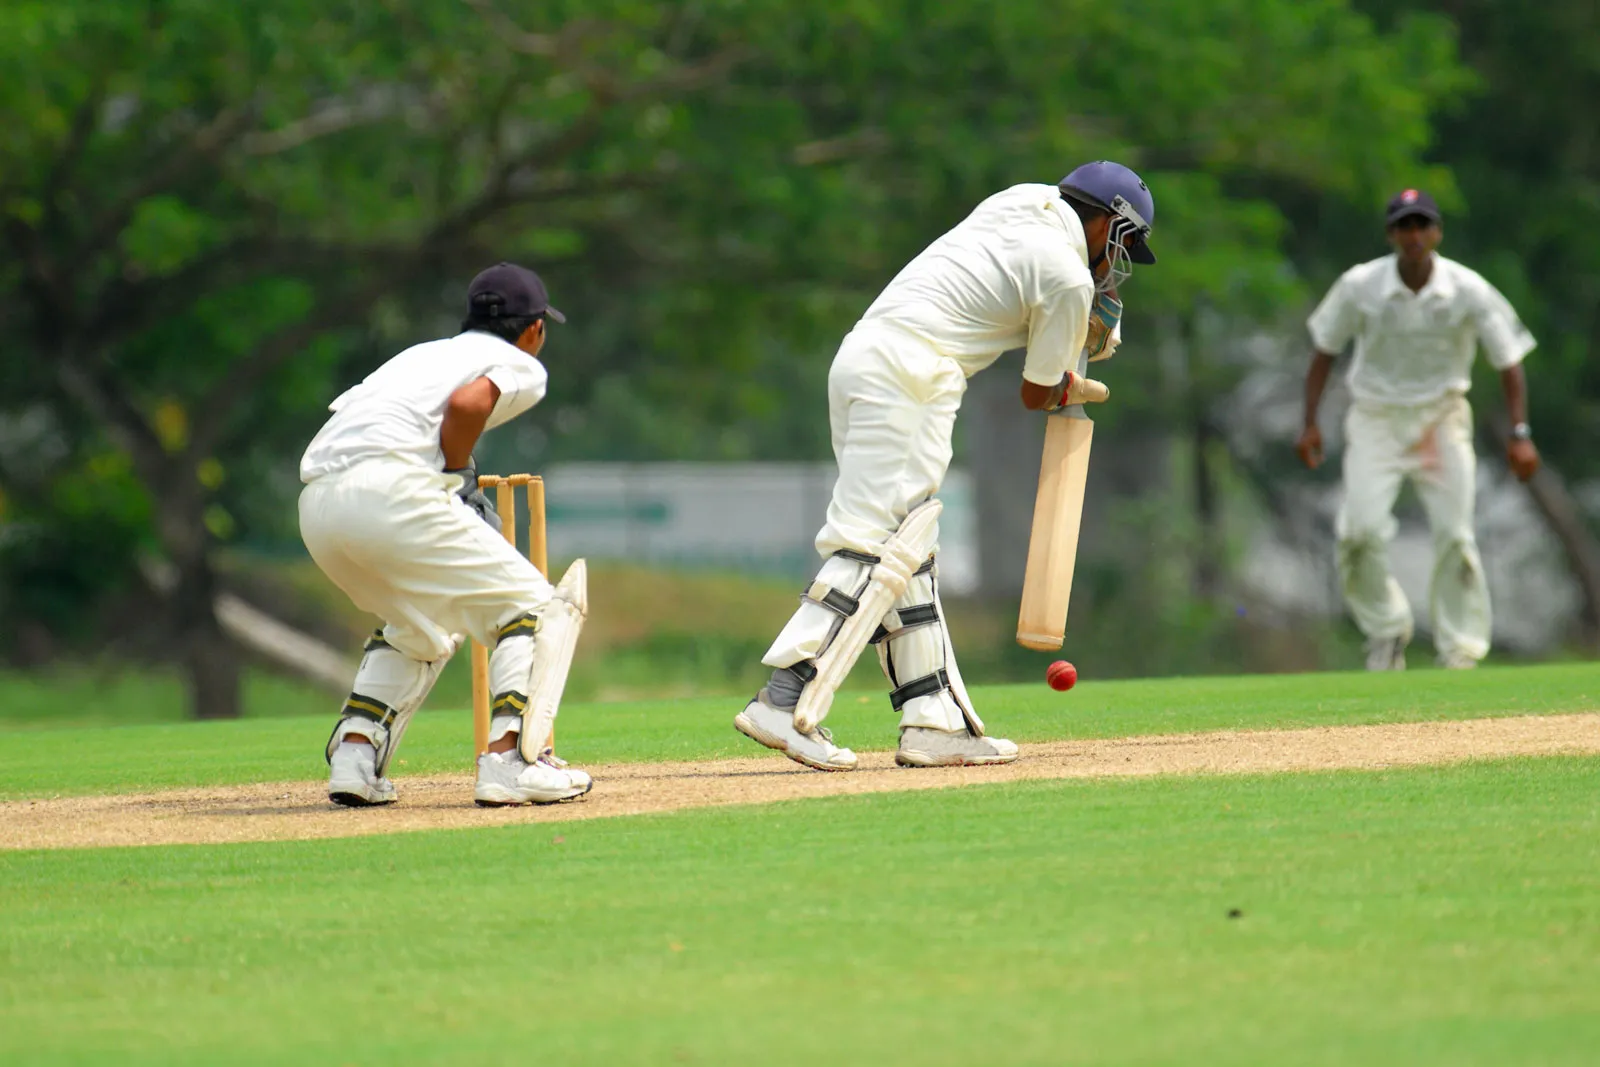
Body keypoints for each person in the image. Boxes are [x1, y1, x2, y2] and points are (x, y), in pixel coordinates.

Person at [734, 161, 1156, 771]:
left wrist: (1072, 332)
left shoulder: (1021, 200)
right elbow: (1039, 392)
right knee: (878, 547)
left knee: (908, 553)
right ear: (1108, 225)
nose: (1117, 260)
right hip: (913, 376)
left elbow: (996, 296)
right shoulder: (1067, 277)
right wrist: (1081, 346)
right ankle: (784, 697)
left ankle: (933, 719)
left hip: (862, 358)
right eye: (1124, 244)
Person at [298, 263, 594, 806]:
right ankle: (513, 762)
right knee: (535, 608)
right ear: (535, 329)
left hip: (319, 505)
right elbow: (466, 405)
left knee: (423, 626)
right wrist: (455, 477)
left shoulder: (421, 354)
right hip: (394, 493)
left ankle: (355, 756)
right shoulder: (519, 363)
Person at [1298, 189, 1540, 671]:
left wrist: (1519, 433)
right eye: (1404, 226)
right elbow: (1324, 352)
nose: (1414, 236)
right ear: (1391, 234)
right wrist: (1309, 423)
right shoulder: (1359, 285)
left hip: (1441, 417)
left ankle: (1460, 652)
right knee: (1359, 533)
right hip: (1376, 419)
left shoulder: (1467, 289)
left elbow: (1509, 362)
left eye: (1422, 225)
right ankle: (1386, 630)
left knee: (1455, 535)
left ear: (1437, 232)